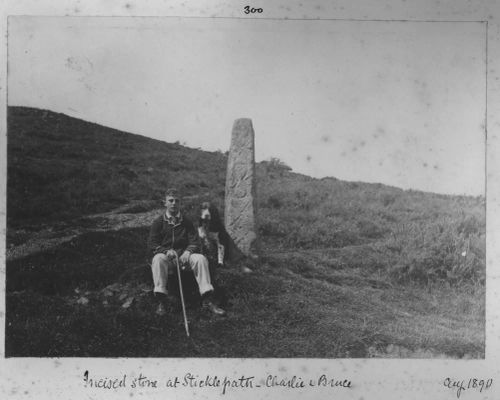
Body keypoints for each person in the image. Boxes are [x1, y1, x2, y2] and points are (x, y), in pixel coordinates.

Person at [148, 188, 225, 316]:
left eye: (177, 201)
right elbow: (152, 243)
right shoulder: (158, 222)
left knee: (200, 258)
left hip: (184, 259)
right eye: (170, 201)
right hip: (168, 260)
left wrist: (188, 252)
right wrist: (166, 251)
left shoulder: (186, 222)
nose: (174, 203)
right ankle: (162, 301)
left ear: (180, 203)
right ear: (165, 203)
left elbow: (195, 241)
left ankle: (207, 299)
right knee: (158, 259)